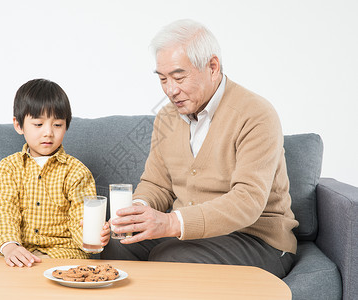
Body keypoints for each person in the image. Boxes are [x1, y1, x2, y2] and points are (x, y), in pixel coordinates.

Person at [101, 19, 299, 278]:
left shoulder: (256, 114)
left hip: (257, 240)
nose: (171, 90)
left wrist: (172, 222)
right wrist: (137, 212)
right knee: (119, 244)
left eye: (179, 77)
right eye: (163, 79)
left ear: (213, 66)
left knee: (170, 257)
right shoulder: (167, 117)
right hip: (189, 237)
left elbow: (248, 200)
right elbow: (157, 184)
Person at [0, 79, 110, 267]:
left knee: (51, 272)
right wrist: (10, 246)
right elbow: (3, 210)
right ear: (19, 125)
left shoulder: (77, 172)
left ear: (66, 126)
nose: (48, 133)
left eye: (57, 125)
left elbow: (80, 219)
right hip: (19, 247)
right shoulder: (8, 167)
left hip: (63, 252)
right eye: (38, 124)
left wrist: (93, 235)